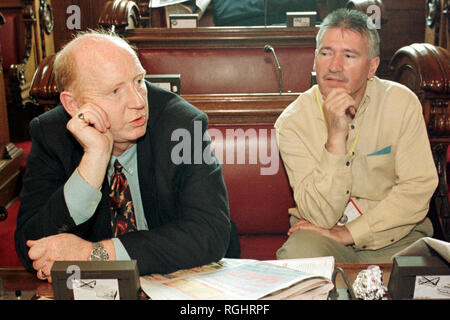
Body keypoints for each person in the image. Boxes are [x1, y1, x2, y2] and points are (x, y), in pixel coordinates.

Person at [14, 31, 236, 281]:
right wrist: (93, 161)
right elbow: (30, 247)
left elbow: (210, 234)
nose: (138, 101)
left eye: (139, 80)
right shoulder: (52, 134)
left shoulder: (181, 125)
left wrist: (94, 254)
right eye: (115, 91)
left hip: (185, 280)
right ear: (73, 105)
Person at [275, 9, 438, 263]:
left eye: (348, 55)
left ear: (372, 66)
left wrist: (352, 232)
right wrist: (335, 139)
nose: (334, 66)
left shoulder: (401, 103)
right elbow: (319, 216)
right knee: (299, 256)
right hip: (323, 236)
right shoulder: (292, 122)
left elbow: (417, 188)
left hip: (395, 236)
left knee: (426, 271)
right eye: (326, 53)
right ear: (314, 60)